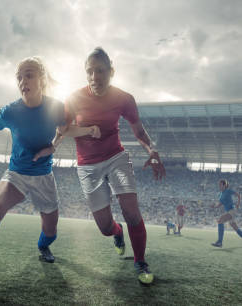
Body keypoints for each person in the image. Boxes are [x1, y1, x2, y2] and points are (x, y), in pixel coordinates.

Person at [0, 56, 100, 295]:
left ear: (41, 79)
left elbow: (64, 130)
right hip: (17, 173)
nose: (23, 80)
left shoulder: (56, 107)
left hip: (44, 176)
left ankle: (43, 247)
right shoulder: (10, 110)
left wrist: (80, 134)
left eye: (29, 75)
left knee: (50, 230)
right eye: (19, 77)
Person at [48, 47, 166, 285]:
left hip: (116, 158)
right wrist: (52, 147)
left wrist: (151, 150)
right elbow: (63, 130)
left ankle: (140, 262)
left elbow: (139, 131)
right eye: (90, 72)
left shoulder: (124, 99)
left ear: (111, 72)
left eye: (100, 71)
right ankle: (118, 233)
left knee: (132, 211)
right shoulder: (73, 98)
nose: (94, 77)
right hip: (87, 167)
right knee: (104, 227)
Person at [211, 179, 242, 247]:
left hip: (232, 210)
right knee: (235, 227)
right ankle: (219, 242)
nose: (219, 186)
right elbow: (219, 204)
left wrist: (238, 204)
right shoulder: (221, 194)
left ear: (225, 185)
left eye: (220, 184)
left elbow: (238, 195)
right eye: (219, 184)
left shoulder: (228, 191)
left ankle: (219, 242)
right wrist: (214, 206)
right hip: (228, 211)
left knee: (220, 220)